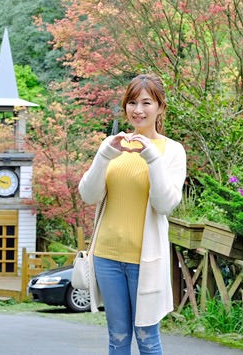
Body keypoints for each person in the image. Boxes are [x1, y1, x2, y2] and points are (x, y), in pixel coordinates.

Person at [78, 74, 187, 355]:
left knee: (147, 337)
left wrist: (151, 157)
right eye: (132, 102)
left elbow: (165, 205)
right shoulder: (112, 146)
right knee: (117, 337)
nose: (138, 110)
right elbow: (88, 195)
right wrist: (104, 155)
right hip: (107, 256)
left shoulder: (171, 151)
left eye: (147, 102)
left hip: (145, 259)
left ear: (161, 107)